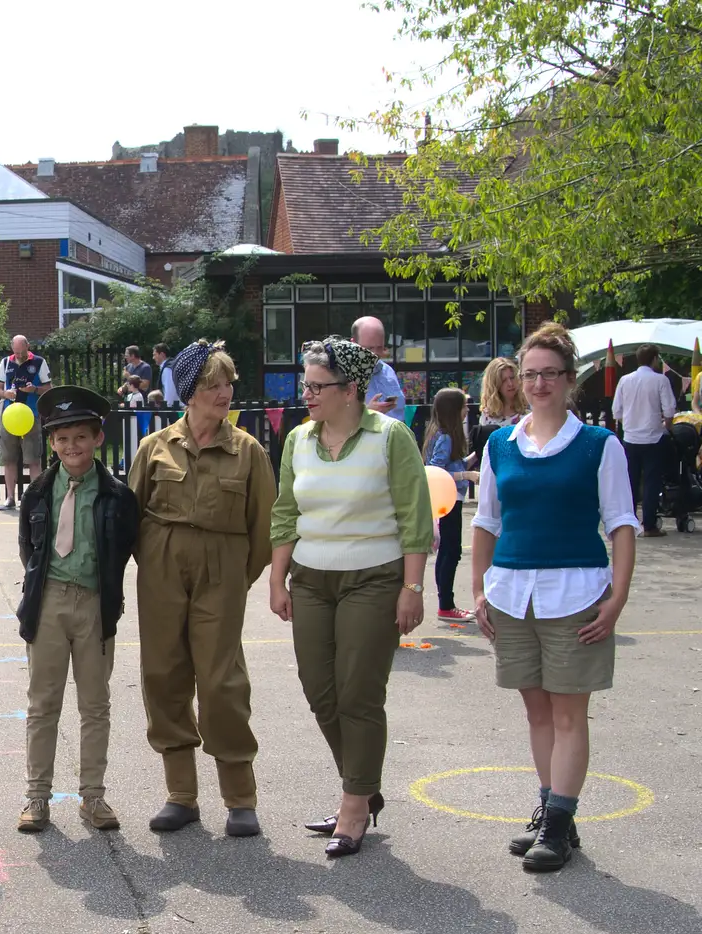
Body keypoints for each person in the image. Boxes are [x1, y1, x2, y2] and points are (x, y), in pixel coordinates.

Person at [472, 323, 638, 872]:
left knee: (570, 714)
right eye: (530, 374)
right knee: (536, 711)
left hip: (577, 593)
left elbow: (620, 524)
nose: (539, 383)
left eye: (550, 374)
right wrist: (478, 589)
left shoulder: (598, 445)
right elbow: (487, 521)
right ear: (518, 381)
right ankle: (552, 812)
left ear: (571, 381)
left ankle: (558, 824)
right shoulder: (501, 443)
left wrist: (615, 601)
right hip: (513, 594)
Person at [269, 336, 432, 859]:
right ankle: (363, 785)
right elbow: (286, 512)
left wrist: (412, 587)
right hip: (312, 579)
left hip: (375, 578)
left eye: (318, 386)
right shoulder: (298, 440)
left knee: (358, 693)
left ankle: (355, 804)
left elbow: (415, 518)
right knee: (320, 690)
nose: (308, 394)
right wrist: (278, 578)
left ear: (351, 390)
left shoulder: (390, 437)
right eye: (306, 385)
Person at [130, 343, 276, 837]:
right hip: (162, 570)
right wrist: (154, 564)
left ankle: (240, 798)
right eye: (213, 385)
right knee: (163, 675)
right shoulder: (154, 448)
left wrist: (236, 577)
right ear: (190, 394)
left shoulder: (247, 450)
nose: (225, 393)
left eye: (228, 383)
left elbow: (264, 528)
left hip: (223, 571)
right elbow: (132, 517)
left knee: (221, 682)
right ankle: (181, 795)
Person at [14, 386, 138, 834]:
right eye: (63, 439)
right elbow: (31, 548)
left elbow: (123, 550)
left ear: (98, 438)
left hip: (94, 606)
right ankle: (37, 797)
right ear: (51, 443)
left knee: (95, 705)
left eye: (81, 437)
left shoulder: (117, 495)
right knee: (42, 704)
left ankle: (93, 797)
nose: (72, 447)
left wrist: (106, 597)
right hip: (48, 602)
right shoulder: (39, 493)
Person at [424, 387, 480, 622]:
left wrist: (474, 457)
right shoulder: (445, 436)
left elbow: (452, 465)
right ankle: (446, 605)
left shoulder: (440, 435)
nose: (467, 411)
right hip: (449, 500)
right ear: (453, 410)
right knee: (451, 551)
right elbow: (437, 470)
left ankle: (445, 603)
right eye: (464, 406)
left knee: (448, 551)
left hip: (448, 499)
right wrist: (466, 476)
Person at [610, 343, 677, 538]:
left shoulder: (624, 380)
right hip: (653, 437)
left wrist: (629, 423)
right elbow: (670, 411)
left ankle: (626, 524)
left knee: (630, 480)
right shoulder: (660, 380)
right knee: (651, 481)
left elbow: (617, 411)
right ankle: (649, 525)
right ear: (655, 359)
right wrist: (666, 427)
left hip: (630, 437)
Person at [0, 335, 53, 511]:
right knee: (8, 458)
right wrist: (5, 394)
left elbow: (49, 389)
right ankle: (10, 498)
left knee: (33, 459)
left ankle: (36, 498)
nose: (18, 355)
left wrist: (34, 389)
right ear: (12, 348)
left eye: (21, 351)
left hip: (31, 415)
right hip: (9, 416)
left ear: (28, 346)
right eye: (16, 352)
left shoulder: (39, 362)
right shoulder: (5, 363)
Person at [352, 315, 405, 422]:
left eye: (380, 347)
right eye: (369, 348)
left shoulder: (388, 372)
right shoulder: (340, 376)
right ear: (353, 344)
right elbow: (333, 423)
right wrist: (368, 413)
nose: (375, 354)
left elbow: (400, 413)